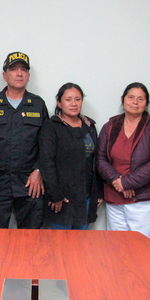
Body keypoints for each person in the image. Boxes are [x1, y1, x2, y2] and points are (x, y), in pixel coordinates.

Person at [0, 52, 48, 229]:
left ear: (28, 76)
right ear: (5, 75)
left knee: (31, 237)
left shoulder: (38, 104)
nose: (19, 73)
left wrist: (39, 170)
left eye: (23, 70)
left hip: (31, 182)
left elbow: (47, 145)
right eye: (13, 69)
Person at [97, 82, 150, 243]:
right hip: (115, 198)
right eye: (131, 97)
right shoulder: (110, 126)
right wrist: (118, 181)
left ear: (146, 104)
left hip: (144, 201)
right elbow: (100, 158)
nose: (135, 102)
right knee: (117, 250)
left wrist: (128, 182)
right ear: (123, 99)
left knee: (144, 250)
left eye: (140, 99)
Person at [38, 83, 102, 229]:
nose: (73, 103)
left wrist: (98, 192)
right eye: (68, 99)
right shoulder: (51, 126)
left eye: (77, 99)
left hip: (85, 197)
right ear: (59, 103)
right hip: (62, 199)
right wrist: (55, 195)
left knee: (81, 247)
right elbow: (47, 163)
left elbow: (95, 161)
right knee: (61, 247)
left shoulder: (89, 126)